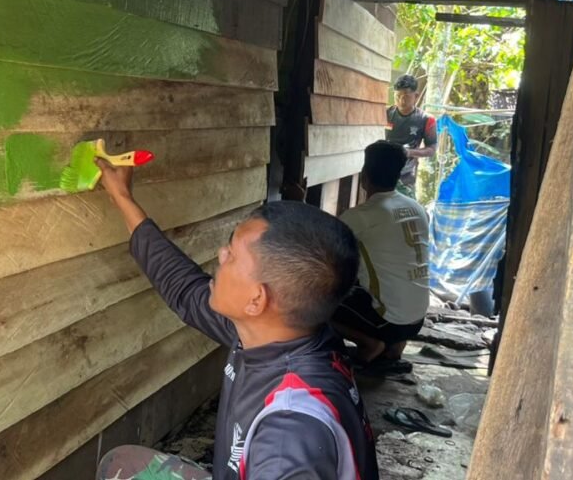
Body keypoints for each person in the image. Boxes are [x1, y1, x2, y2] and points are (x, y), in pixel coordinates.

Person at [94, 159, 378, 480]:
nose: (220, 255)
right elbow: (186, 291)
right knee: (124, 465)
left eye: (232, 253)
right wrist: (122, 197)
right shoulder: (281, 331)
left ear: (257, 299)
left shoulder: (288, 435)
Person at [332, 141, 430, 366]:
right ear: (398, 175)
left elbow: (321, 243)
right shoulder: (416, 208)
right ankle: (394, 347)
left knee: (320, 304)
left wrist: (297, 200)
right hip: (416, 319)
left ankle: (370, 344)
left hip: (390, 320)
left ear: (364, 176)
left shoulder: (361, 216)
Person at [386, 74, 437, 197]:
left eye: (406, 97)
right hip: (382, 171)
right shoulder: (385, 114)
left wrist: (409, 152)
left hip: (406, 176)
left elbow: (431, 150)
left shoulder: (426, 119)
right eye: (397, 96)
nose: (401, 101)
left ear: (416, 96)